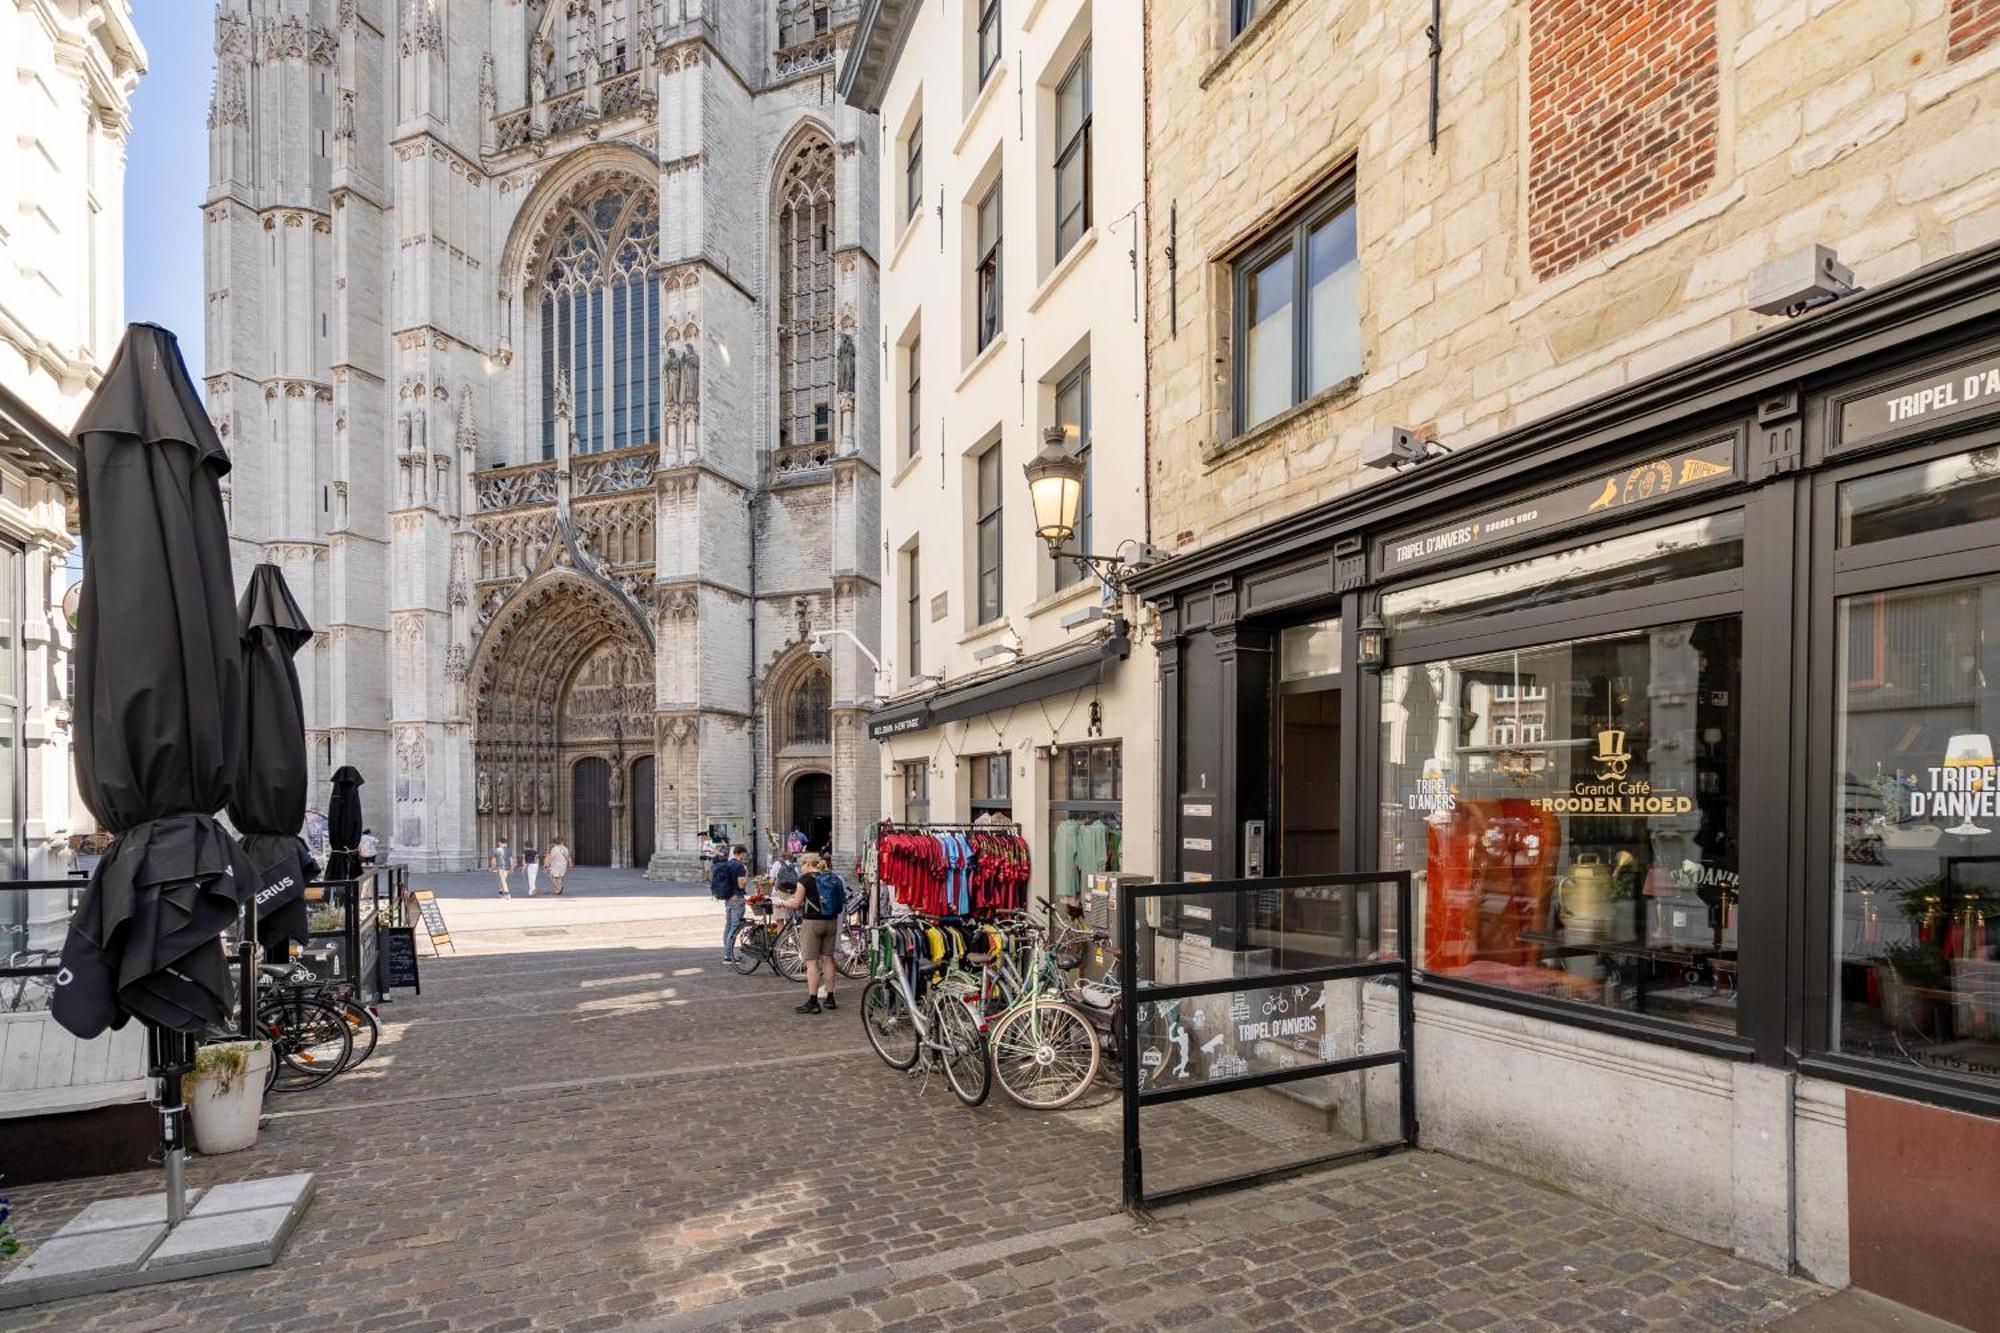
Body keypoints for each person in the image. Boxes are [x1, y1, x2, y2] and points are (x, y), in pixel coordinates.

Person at [782, 852, 845, 1014]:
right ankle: (830, 998)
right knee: (828, 959)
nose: (800, 868)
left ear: (808, 864)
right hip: (831, 921)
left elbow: (796, 903)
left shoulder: (805, 880)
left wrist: (782, 902)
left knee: (811, 962)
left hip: (812, 922)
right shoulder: (830, 877)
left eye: (801, 865)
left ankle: (813, 1001)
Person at [711, 842, 748, 964]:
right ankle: (728, 956)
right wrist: (746, 876)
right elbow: (741, 883)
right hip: (737, 898)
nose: (745, 857)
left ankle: (727, 953)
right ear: (741, 854)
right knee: (734, 927)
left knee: (728, 926)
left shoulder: (729, 863)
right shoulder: (740, 866)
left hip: (728, 898)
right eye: (745, 855)